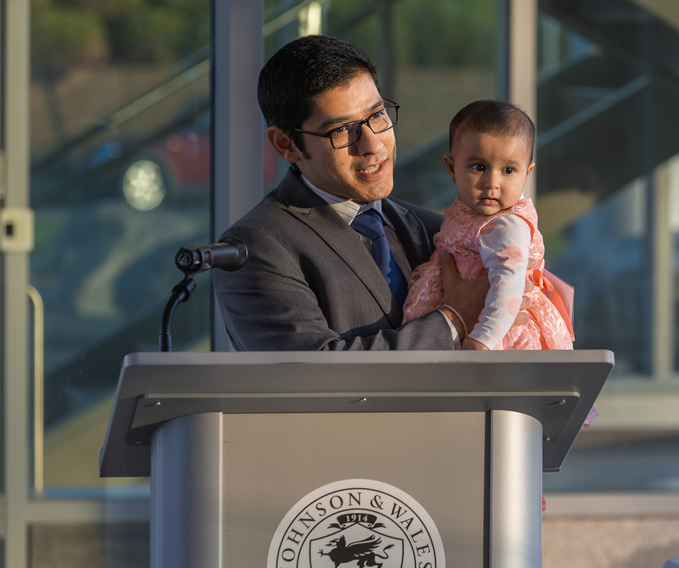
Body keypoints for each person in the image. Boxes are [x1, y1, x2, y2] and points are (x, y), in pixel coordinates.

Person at [213, 35, 488, 351]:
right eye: (342, 129)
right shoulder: (253, 248)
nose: (372, 145)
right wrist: (453, 320)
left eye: (377, 115)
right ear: (285, 144)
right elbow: (314, 374)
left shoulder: (436, 231)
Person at [403, 100, 574, 351]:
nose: (491, 182)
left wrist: (483, 338)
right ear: (451, 168)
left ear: (527, 174)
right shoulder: (470, 213)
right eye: (479, 167)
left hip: (498, 334)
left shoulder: (507, 225)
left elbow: (509, 285)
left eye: (508, 170)